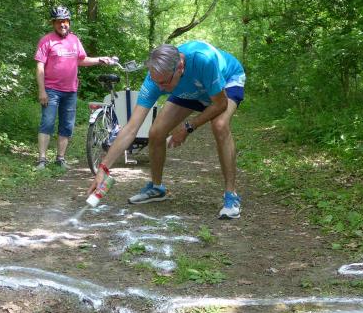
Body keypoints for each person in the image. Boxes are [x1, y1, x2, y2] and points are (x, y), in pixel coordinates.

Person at [88, 41, 246, 219]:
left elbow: (220, 104)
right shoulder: (155, 80)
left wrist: (188, 127)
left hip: (226, 81)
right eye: (157, 82)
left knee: (220, 125)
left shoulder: (203, 60)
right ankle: (156, 188)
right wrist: (103, 168)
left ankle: (231, 195)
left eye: (164, 83)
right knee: (156, 132)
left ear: (180, 67)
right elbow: (131, 127)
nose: (160, 89)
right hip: (189, 89)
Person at [35, 5, 113, 169]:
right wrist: (42, 90)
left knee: (67, 126)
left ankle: (60, 158)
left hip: (70, 91)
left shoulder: (74, 40)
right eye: (59, 22)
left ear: (69, 22)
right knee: (47, 123)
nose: (62, 24)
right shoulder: (46, 40)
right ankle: (42, 159)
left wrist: (100, 59)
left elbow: (81, 60)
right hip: (51, 90)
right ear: (53, 23)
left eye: (65, 21)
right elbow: (40, 66)